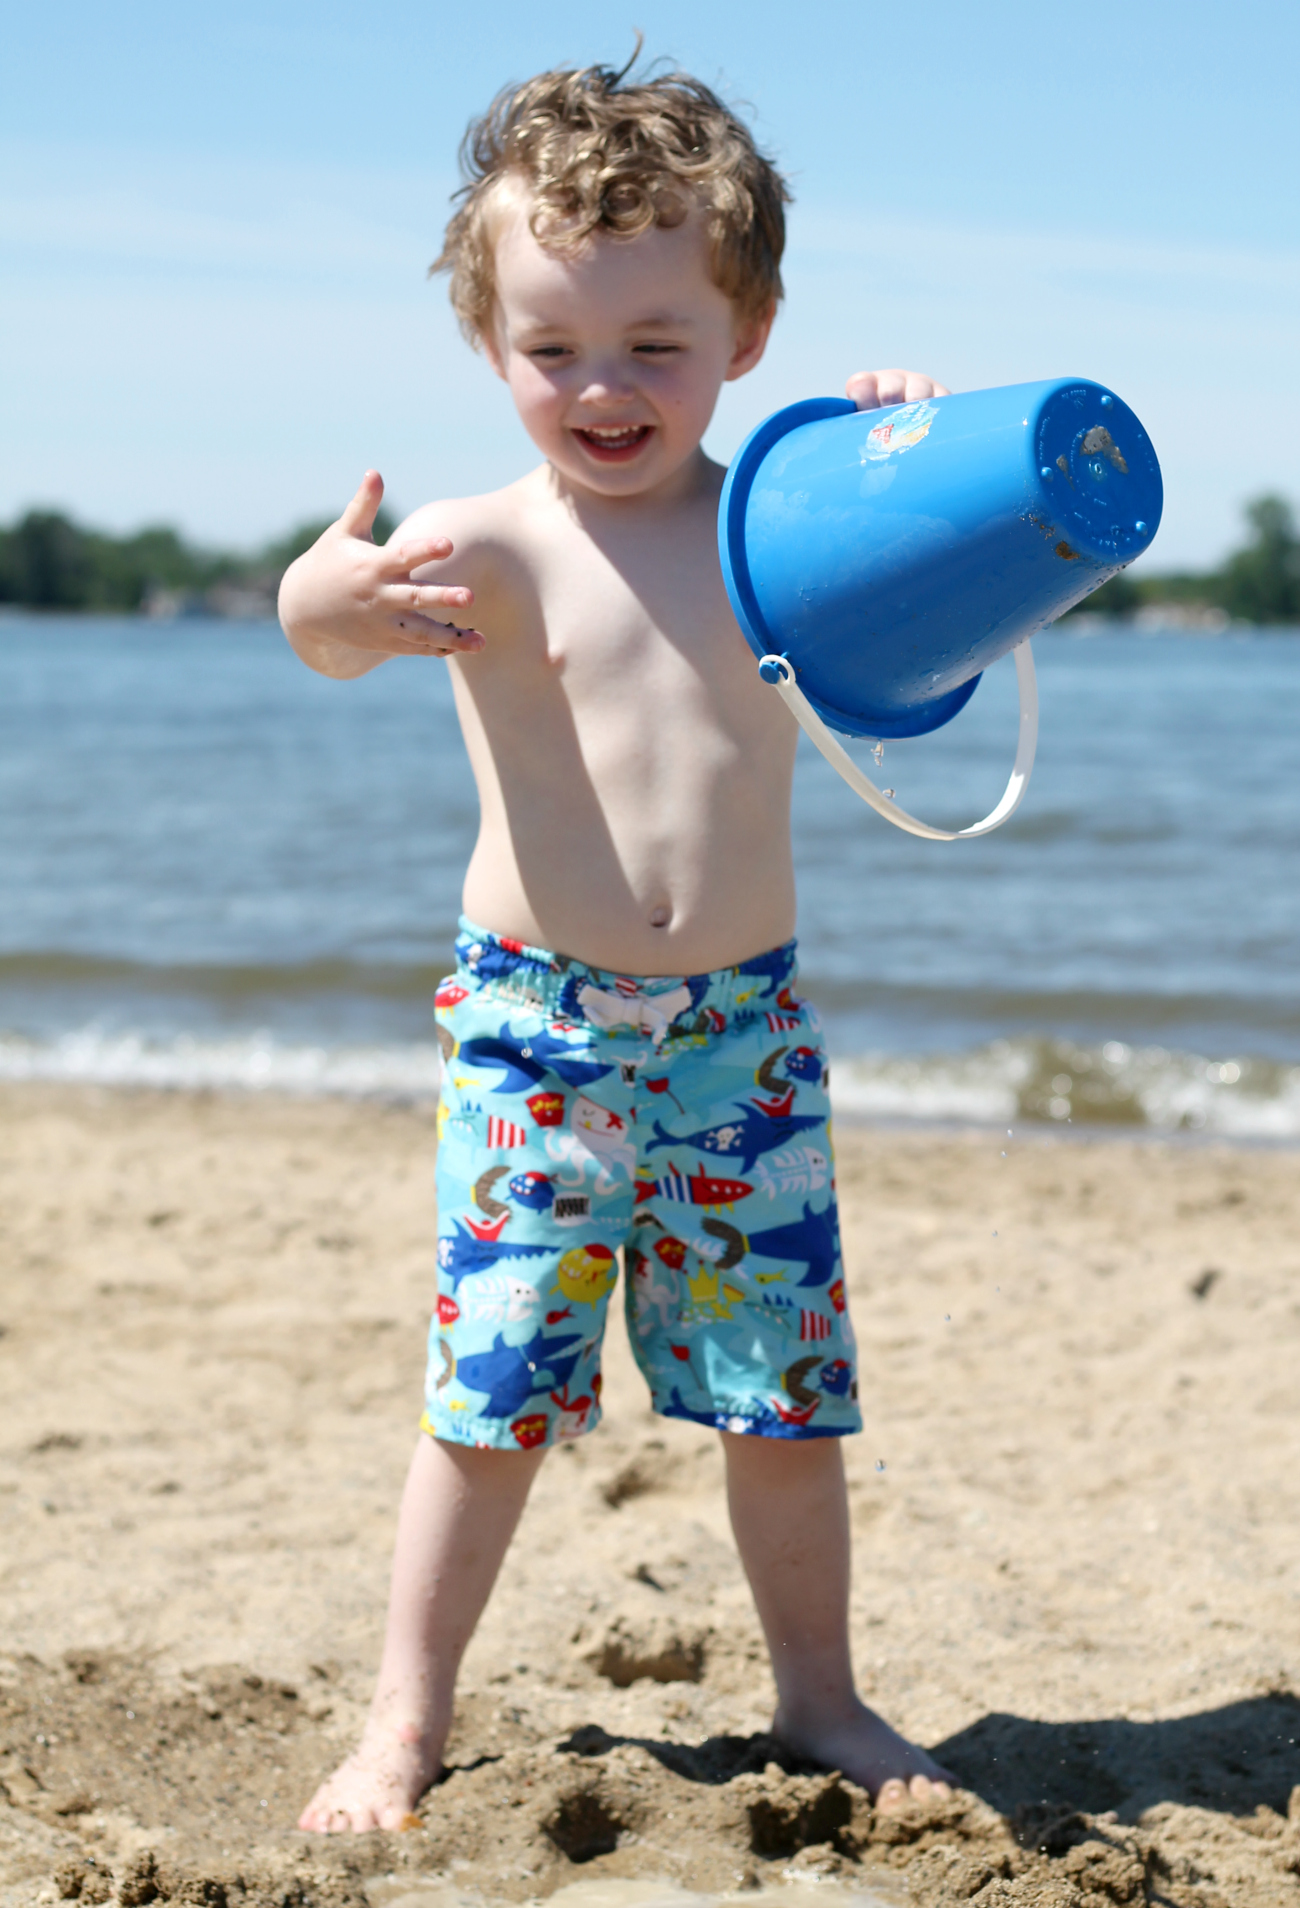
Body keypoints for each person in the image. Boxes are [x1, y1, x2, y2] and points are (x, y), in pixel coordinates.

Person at [279, 55, 955, 1834]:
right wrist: (318, 595)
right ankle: (404, 1722)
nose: (603, 387)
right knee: (489, 1393)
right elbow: (325, 627)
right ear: (489, 340)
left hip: (744, 1032)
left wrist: (907, 444)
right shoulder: (485, 544)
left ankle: (820, 1697)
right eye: (553, 345)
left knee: (785, 1400)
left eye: (658, 344)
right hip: (536, 1037)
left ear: (749, 334)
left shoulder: (782, 537)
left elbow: (946, 614)